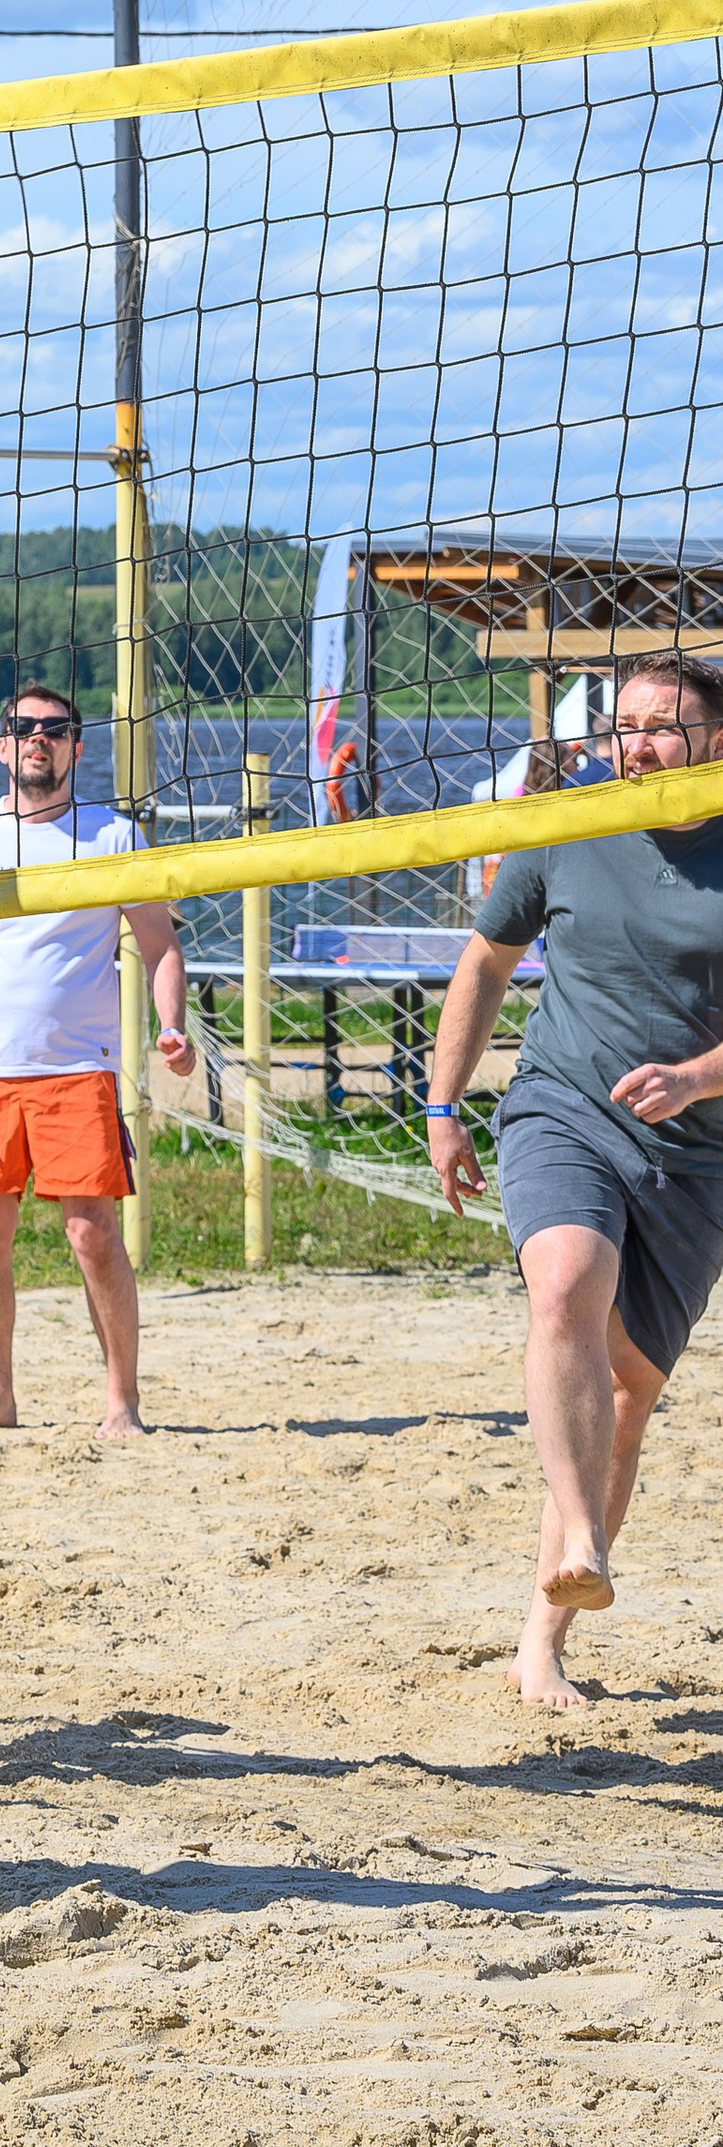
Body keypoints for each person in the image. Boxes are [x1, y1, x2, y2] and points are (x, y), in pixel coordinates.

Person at [426, 656, 723, 1710]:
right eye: (624, 725)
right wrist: (441, 1105)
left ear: (715, 742)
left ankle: (540, 1643)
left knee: (628, 1396)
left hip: (695, 1150)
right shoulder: (569, 820)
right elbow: (484, 964)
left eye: (663, 728)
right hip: (562, 1106)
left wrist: (696, 1077)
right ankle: (584, 1533)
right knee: (561, 1283)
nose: (636, 744)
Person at [0, 686, 194, 1441]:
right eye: (23, 729)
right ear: (4, 746)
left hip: (80, 1064)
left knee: (92, 1234)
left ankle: (121, 1399)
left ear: (76, 746)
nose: (39, 739)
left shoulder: (112, 836)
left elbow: (161, 945)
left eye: (55, 730)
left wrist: (172, 1025)